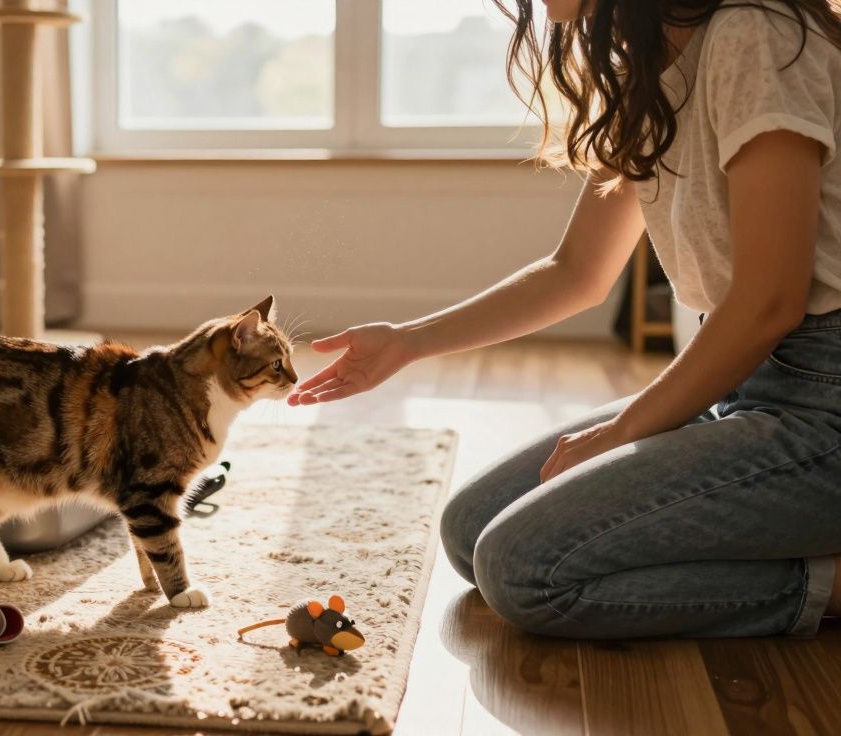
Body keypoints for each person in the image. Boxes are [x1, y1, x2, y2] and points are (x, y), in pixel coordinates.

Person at [289, 0, 841, 638]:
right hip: (750, 388)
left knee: (523, 569)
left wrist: (621, 433)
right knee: (470, 530)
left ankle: (828, 584)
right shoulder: (656, 65)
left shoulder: (755, 35)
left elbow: (770, 302)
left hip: (822, 410)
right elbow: (577, 270)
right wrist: (408, 343)